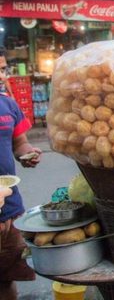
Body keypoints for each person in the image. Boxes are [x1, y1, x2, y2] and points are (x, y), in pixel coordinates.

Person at [0, 48, 42, 299]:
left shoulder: (8, 103)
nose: (1, 75)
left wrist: (29, 153)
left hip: (12, 211)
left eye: (2, 69)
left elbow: (19, 143)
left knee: (5, 279)